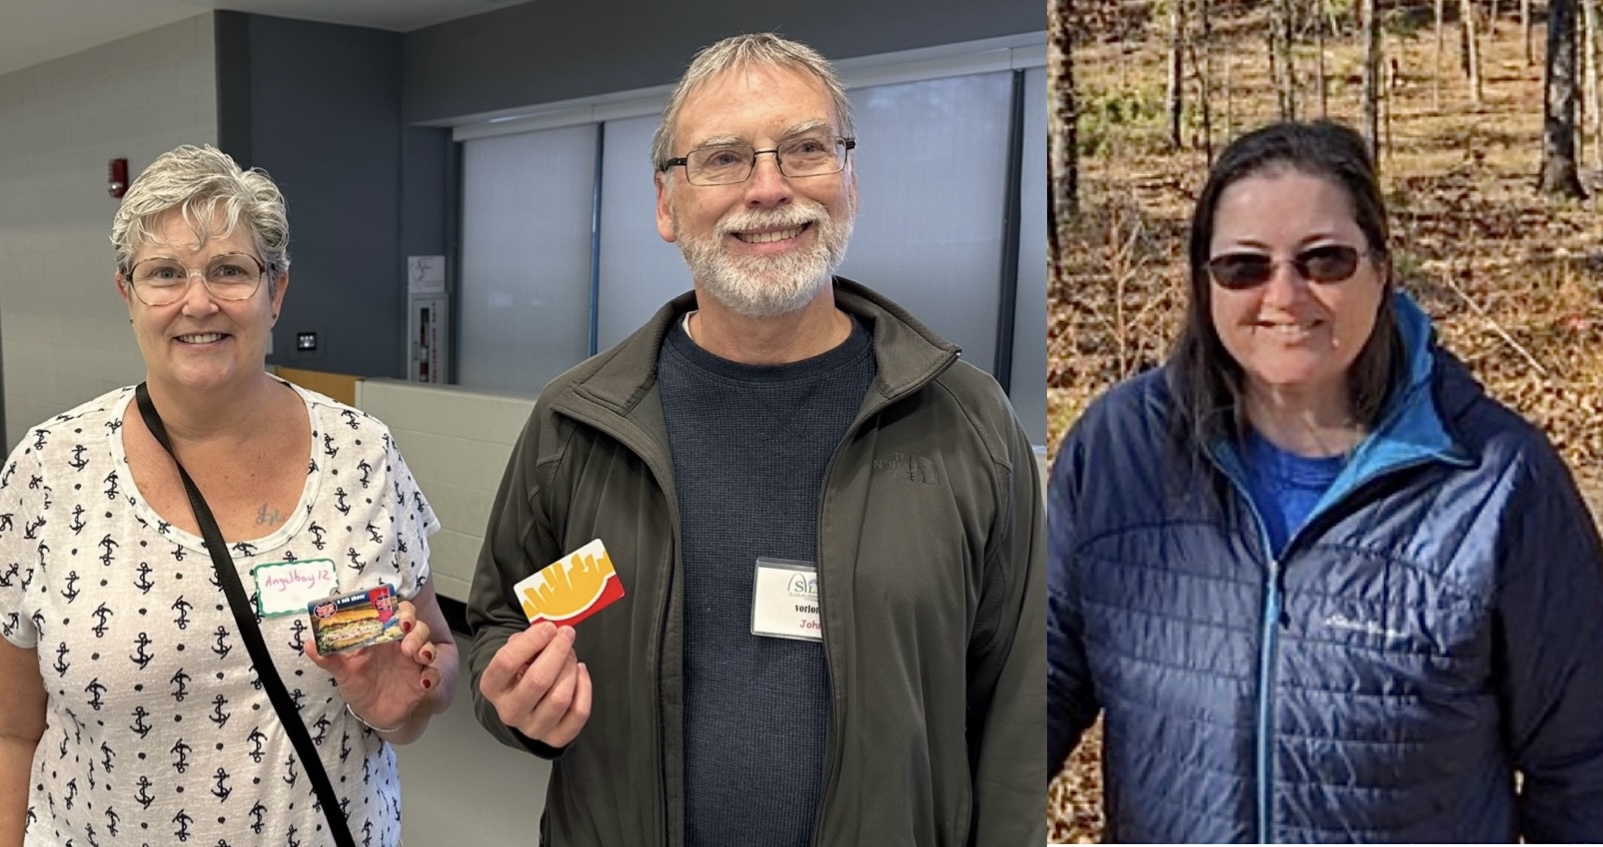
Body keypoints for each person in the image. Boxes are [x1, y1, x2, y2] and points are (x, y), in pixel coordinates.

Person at [466, 32, 1044, 847]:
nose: (768, 189)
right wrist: (515, 701)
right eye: (724, 158)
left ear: (849, 179)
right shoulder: (577, 424)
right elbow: (499, 623)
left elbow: (1018, 710)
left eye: (804, 149)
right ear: (666, 205)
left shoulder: (966, 422)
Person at [1047, 119, 1603, 841]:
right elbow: (1031, 691)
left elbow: (1585, 763)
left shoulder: (1496, 483)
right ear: (1202, 281)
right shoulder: (1120, 449)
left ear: (1380, 267)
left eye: (1324, 260)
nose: (1284, 294)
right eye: (1243, 266)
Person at [0, 145, 459, 847]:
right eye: (164, 274)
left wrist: (403, 706)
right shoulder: (48, 470)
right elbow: (11, 728)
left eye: (230, 271)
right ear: (128, 296)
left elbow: (435, 658)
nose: (198, 301)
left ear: (275, 291)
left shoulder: (361, 454)